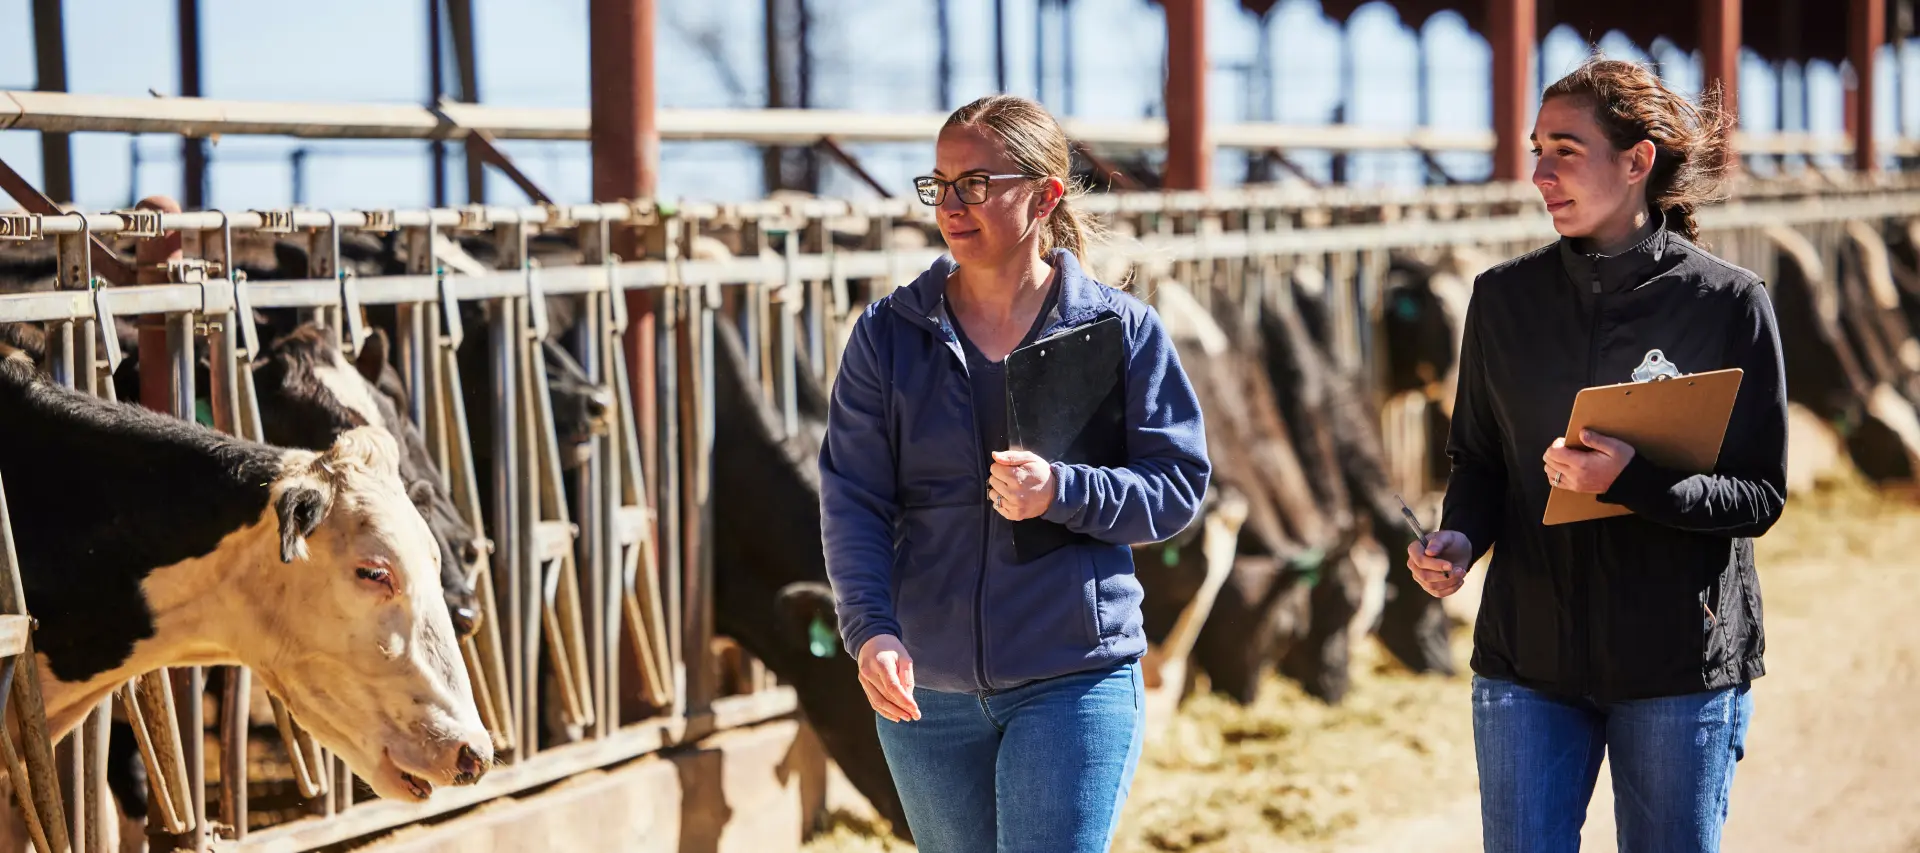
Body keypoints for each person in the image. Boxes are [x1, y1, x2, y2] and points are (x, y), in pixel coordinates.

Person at [1405, 57, 1786, 853]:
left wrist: (1634, 482)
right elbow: (1477, 458)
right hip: (1525, 662)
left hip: (1679, 666)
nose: (1539, 173)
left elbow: (1758, 494)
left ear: (1638, 160)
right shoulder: (1501, 299)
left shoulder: (1728, 304)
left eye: (1565, 150)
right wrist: (1460, 541)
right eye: (1535, 148)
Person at [817, 93, 1211, 852]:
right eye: (939, 184)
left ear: (1044, 195)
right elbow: (853, 500)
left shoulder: (1117, 329)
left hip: (1075, 676)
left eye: (976, 184)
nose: (952, 205)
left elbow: (1176, 486)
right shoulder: (886, 335)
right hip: (925, 693)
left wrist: (1066, 490)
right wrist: (869, 631)